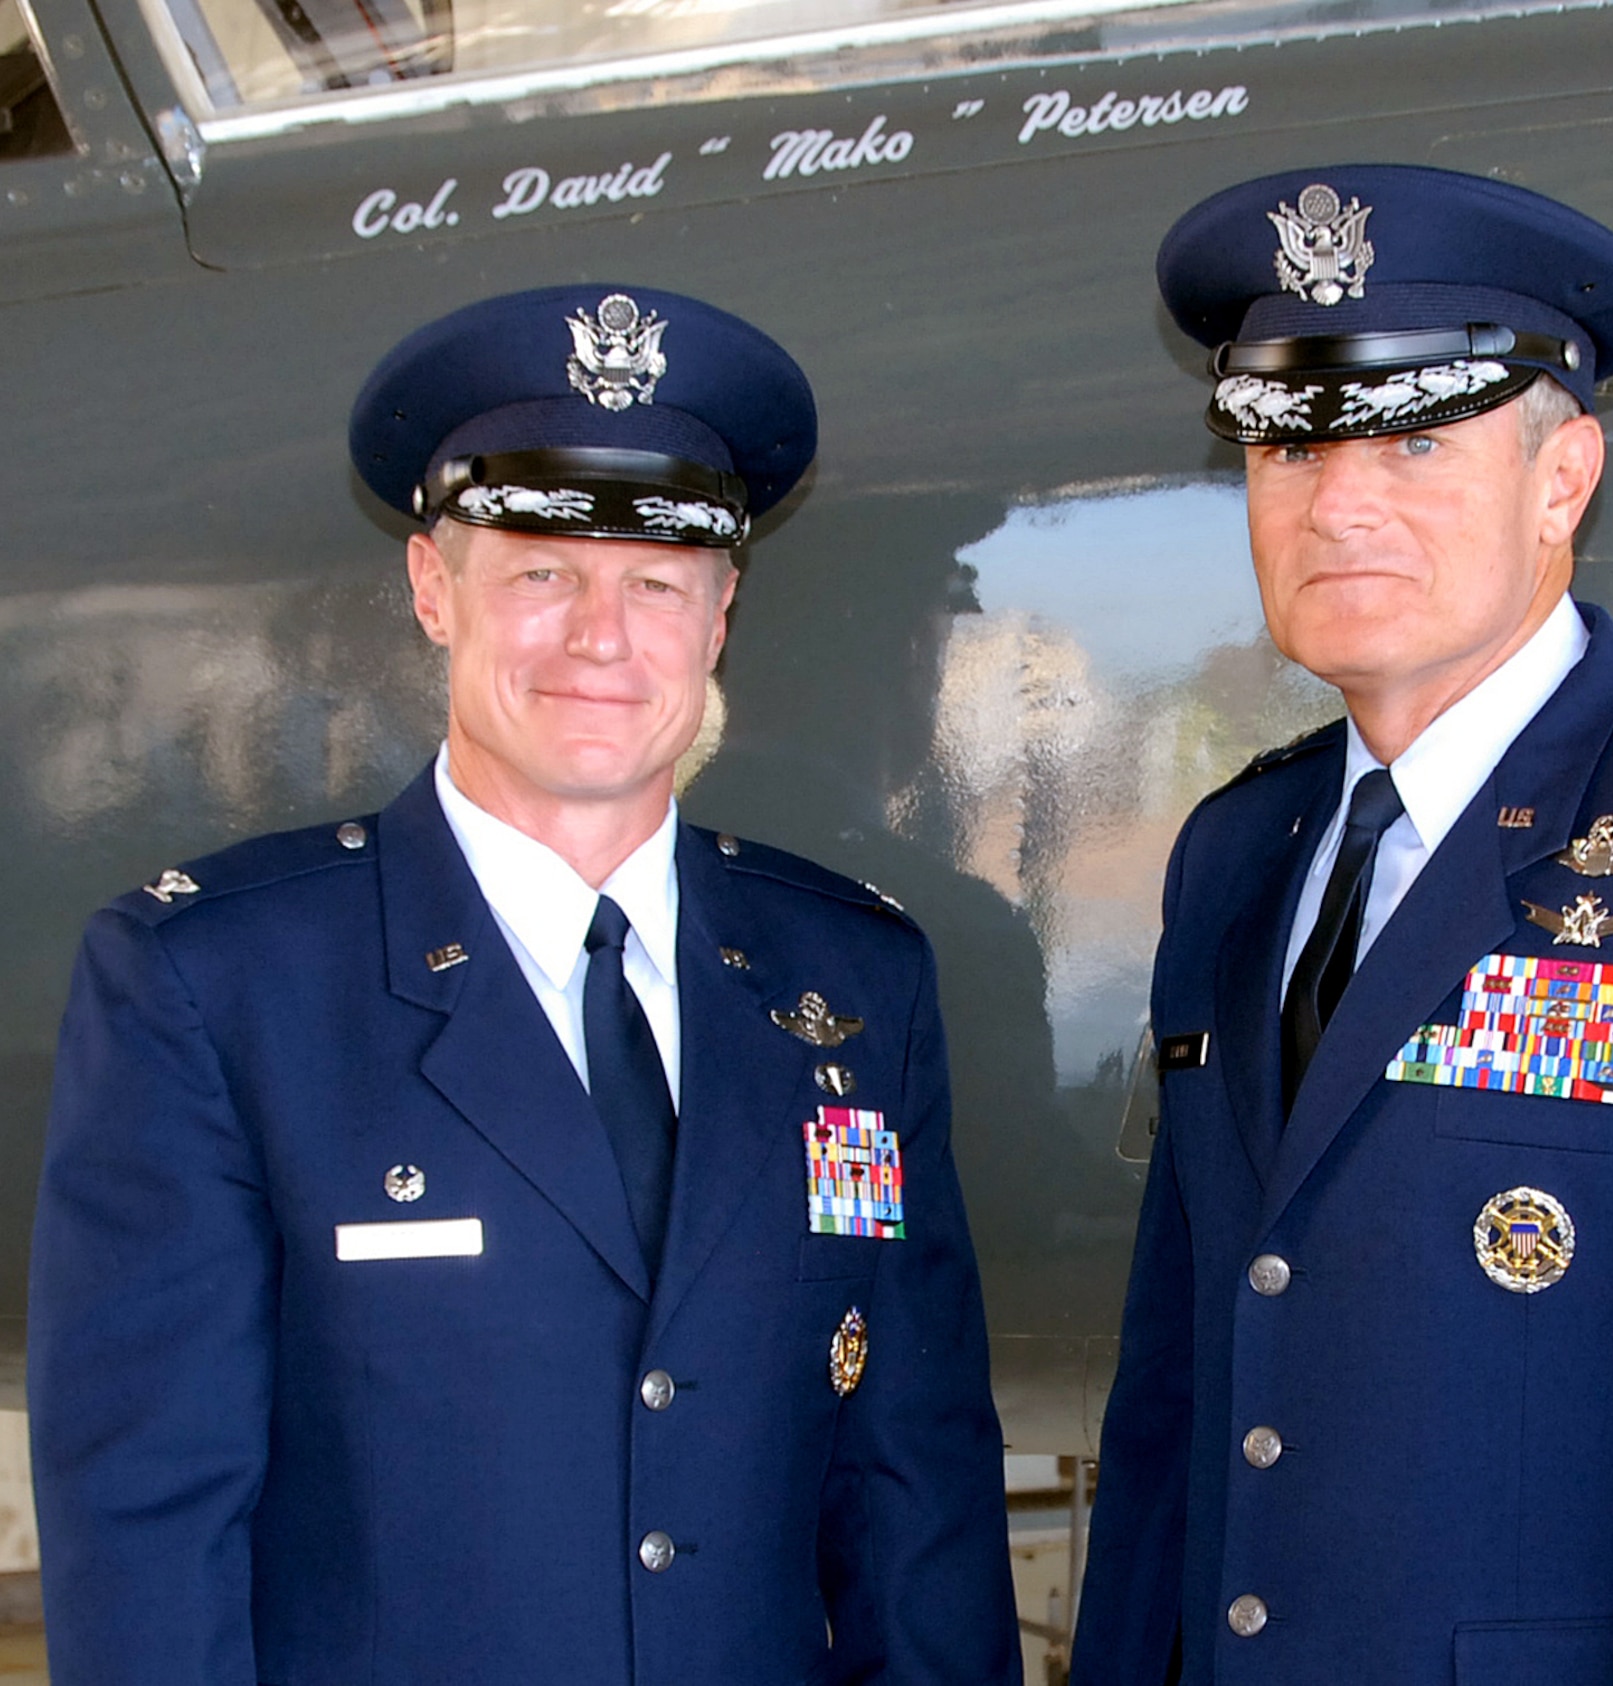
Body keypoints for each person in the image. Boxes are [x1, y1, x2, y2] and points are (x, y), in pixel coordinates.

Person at [28, 284, 1022, 1686]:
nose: (601, 636)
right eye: (543, 570)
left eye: (657, 579)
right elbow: (148, 1537)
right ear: (435, 587)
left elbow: (917, 1492)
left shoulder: (852, 982)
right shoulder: (213, 986)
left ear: (723, 610)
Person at [1071, 165, 1613, 1685]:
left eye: (1418, 439)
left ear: (1564, 482)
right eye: (1292, 446)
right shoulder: (1240, 851)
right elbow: (1178, 1393)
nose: (1340, 501)